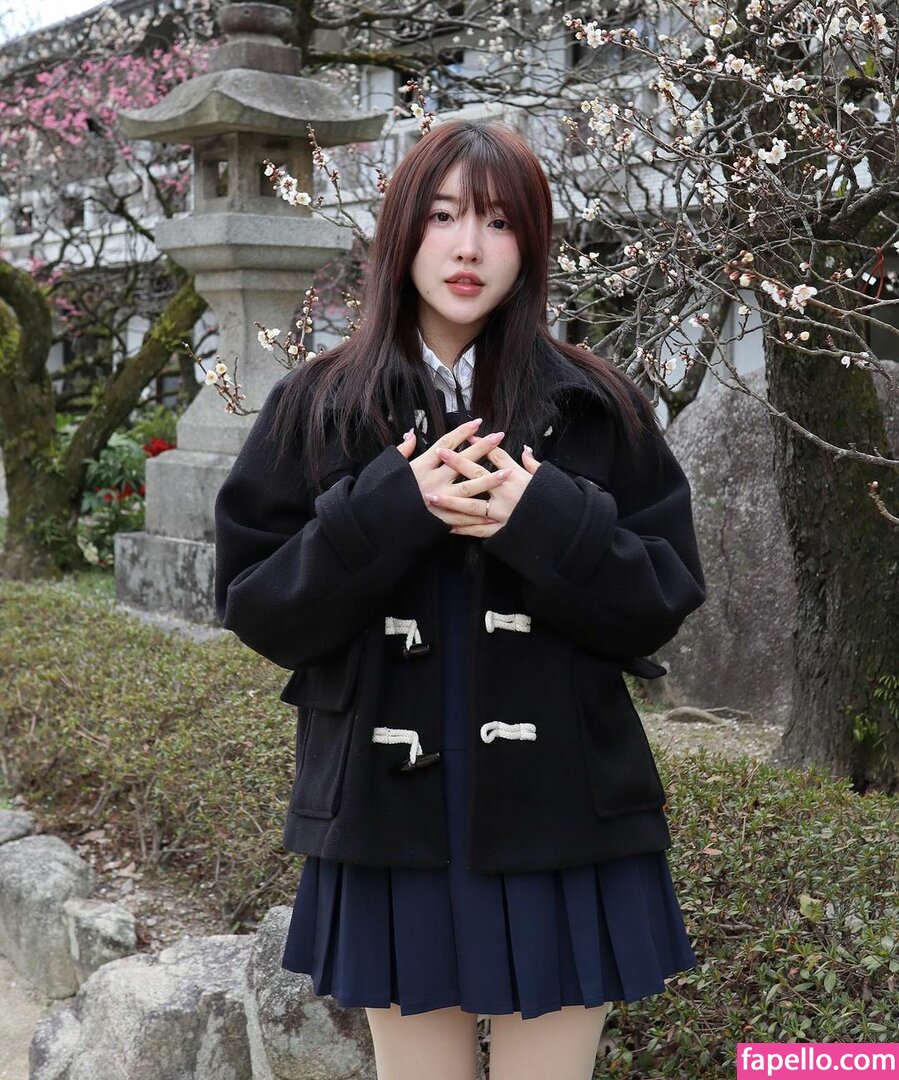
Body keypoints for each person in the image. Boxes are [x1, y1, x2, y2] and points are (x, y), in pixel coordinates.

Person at [214, 118, 707, 1080]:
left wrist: (541, 516)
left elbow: (661, 597)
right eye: (442, 217)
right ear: (403, 232)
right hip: (385, 814)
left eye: (498, 221)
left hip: (563, 811)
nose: (468, 247)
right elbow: (258, 607)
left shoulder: (595, 403)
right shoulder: (319, 405)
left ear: (532, 242)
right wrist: (388, 512)